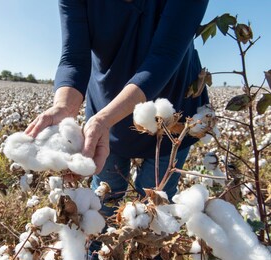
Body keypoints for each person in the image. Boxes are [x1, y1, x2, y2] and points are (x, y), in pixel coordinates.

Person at [25, 0, 209, 258]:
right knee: (104, 205)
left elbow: (166, 54)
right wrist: (64, 108)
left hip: (171, 115)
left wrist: (103, 119)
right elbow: (74, 58)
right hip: (106, 110)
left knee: (152, 213)